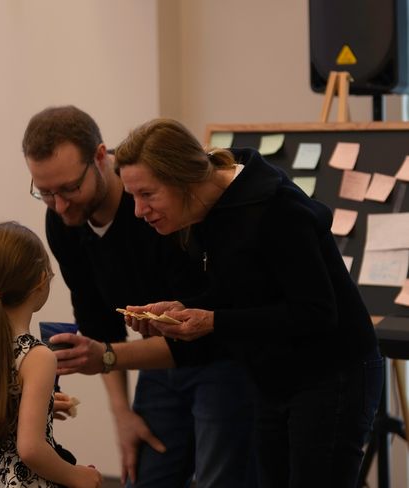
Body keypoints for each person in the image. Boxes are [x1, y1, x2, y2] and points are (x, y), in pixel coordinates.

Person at [51, 118, 384, 488]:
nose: (138, 211)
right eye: (133, 197)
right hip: (274, 375)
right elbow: (241, 294)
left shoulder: (275, 209)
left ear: (183, 179)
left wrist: (212, 321)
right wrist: (182, 309)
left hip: (332, 373)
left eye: (147, 195)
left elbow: (316, 313)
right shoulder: (205, 211)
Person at [22, 106, 257, 488]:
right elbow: (99, 324)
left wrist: (107, 357)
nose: (60, 205)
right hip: (159, 363)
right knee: (145, 478)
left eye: (69, 188)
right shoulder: (63, 223)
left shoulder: (158, 207)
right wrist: (122, 415)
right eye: (45, 193)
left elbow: (198, 332)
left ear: (101, 157)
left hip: (220, 356)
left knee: (219, 478)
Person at [0, 221, 102, 488]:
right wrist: (78, 476)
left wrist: (32, 408)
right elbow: (30, 449)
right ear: (42, 279)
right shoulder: (38, 356)